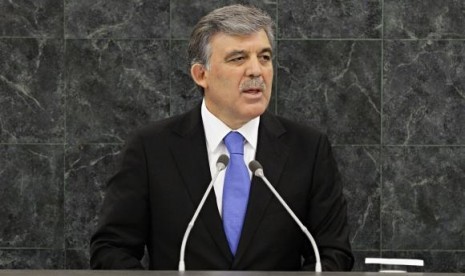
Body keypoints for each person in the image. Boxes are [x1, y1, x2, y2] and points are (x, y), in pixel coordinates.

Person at [90, 4, 354, 271]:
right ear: (201, 74)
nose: (256, 71)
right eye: (238, 58)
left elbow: (332, 253)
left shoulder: (308, 149)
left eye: (264, 57)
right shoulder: (151, 148)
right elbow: (112, 249)